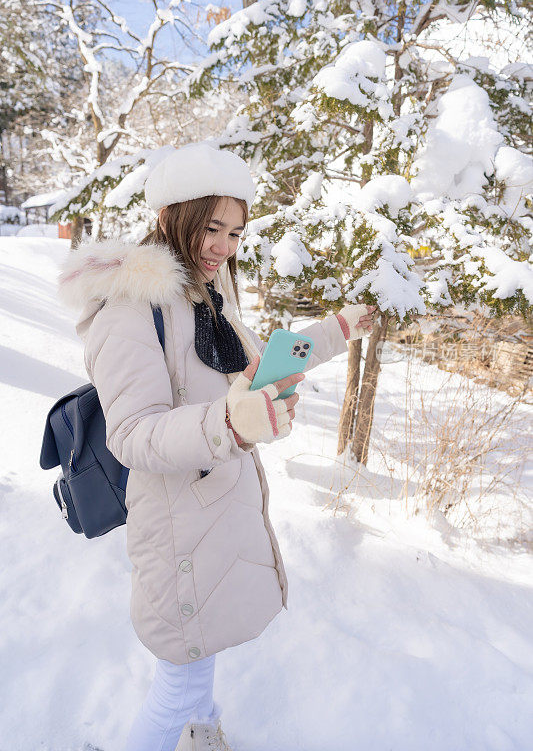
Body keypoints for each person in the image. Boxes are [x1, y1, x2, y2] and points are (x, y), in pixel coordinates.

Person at [57, 142, 376, 751]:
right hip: (178, 526)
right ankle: (186, 727)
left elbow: (258, 370)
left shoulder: (207, 296)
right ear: (172, 215)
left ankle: (200, 733)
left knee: (194, 659)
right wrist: (231, 426)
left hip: (216, 515)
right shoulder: (132, 306)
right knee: (178, 679)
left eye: (234, 232)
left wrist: (332, 334)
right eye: (210, 228)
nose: (223, 247)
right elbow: (134, 434)